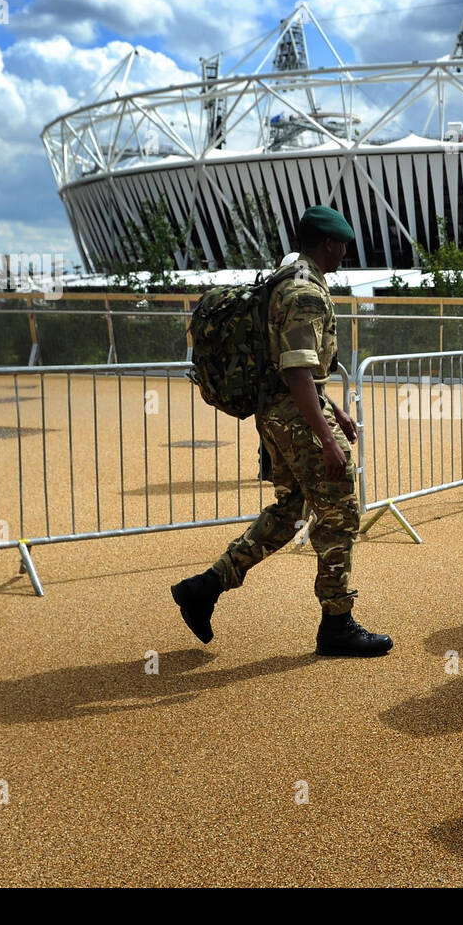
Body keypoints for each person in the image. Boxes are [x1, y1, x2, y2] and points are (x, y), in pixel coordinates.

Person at [171, 206, 392, 658]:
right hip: (296, 418)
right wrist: (328, 439)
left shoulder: (284, 278)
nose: (345, 253)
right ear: (328, 244)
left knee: (291, 512)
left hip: (278, 414)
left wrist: (336, 409)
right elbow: (295, 372)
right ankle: (337, 623)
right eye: (342, 245)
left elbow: (295, 366)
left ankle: (205, 587)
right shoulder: (304, 291)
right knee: (340, 512)